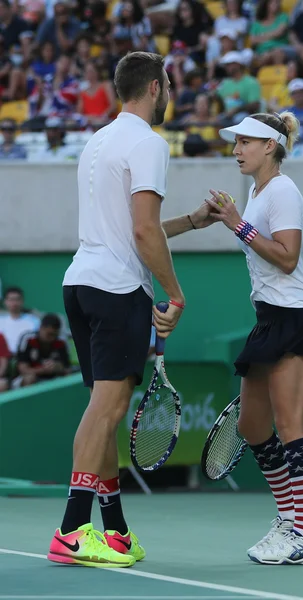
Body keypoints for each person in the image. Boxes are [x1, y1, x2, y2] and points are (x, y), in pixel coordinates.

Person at [48, 51, 215, 569]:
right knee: (106, 411)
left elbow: (133, 228)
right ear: (155, 87)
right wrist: (175, 294)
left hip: (81, 282)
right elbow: (142, 232)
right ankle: (73, 530)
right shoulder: (149, 143)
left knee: (106, 411)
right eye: (169, 85)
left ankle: (114, 529)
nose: (171, 93)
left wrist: (191, 220)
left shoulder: (98, 141)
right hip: (119, 290)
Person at [206, 111, 303, 565]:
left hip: (299, 316)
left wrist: (237, 224)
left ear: (270, 146)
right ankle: (290, 521)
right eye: (235, 142)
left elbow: (287, 257)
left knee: (292, 427)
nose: (236, 149)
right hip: (268, 318)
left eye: (245, 142)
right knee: (252, 427)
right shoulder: (256, 191)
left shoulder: (283, 189)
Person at [15, 313, 71, 387]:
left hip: (54, 378)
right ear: (41, 328)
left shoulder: (60, 342)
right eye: (49, 334)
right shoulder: (28, 339)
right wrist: (43, 370)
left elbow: (66, 368)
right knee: (30, 378)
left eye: (55, 335)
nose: (52, 338)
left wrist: (57, 367)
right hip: (31, 377)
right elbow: (22, 369)